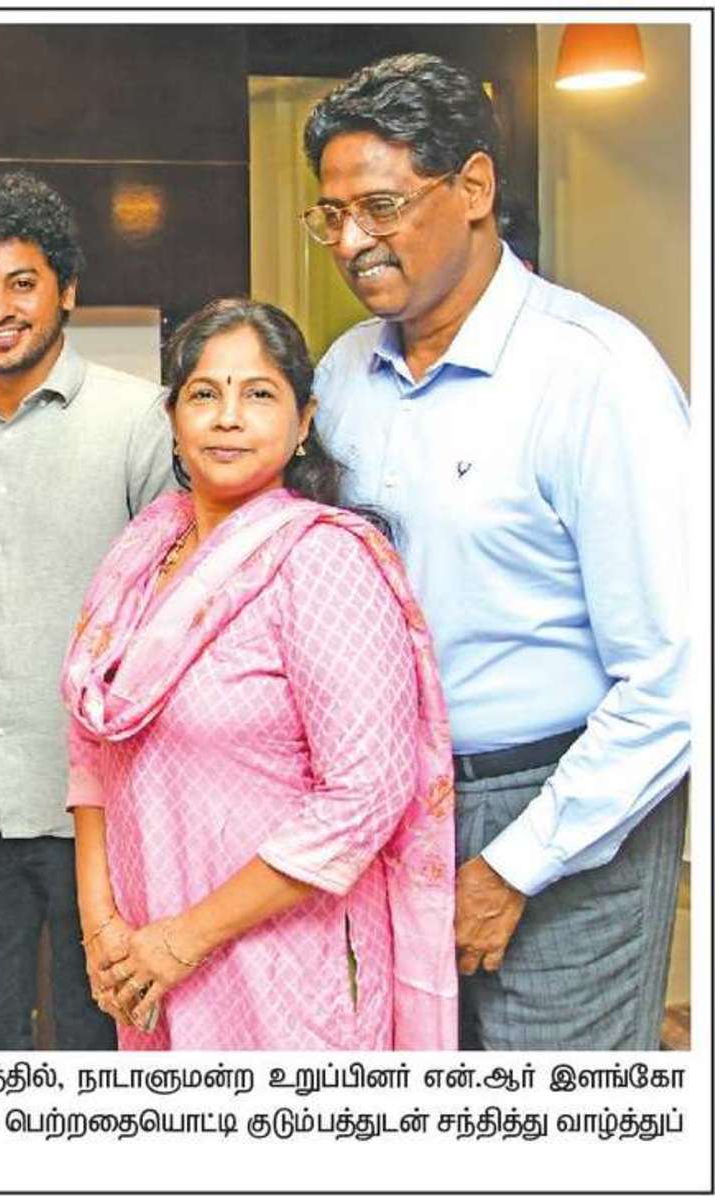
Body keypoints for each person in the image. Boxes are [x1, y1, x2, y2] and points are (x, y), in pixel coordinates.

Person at [305, 54, 691, 1050]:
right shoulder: (341, 377)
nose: (350, 243)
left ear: (473, 187)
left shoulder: (595, 376)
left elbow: (676, 676)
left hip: (561, 814)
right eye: (331, 216)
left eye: (380, 208)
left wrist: (515, 864)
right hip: (391, 809)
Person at [61, 299, 456, 1050]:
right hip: (143, 955)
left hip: (282, 960)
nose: (228, 417)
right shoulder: (144, 549)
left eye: (259, 394)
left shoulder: (323, 560)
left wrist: (186, 938)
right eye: (204, 394)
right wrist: (101, 924)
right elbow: (90, 748)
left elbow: (365, 795)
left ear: (303, 421)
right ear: (173, 417)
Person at [0, 171, 170, 1050]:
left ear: (67, 290)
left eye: (22, 283)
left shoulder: (141, 421)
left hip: (109, 810)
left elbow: (177, 613)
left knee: (103, 1043)